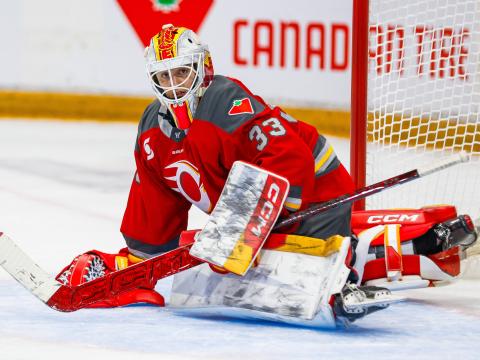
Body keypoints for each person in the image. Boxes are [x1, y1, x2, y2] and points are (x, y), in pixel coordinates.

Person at [55, 24, 394, 322]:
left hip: (317, 190)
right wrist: (136, 265)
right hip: (261, 209)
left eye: (181, 73)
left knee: (303, 274)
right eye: (164, 76)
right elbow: (154, 201)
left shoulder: (226, 100)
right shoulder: (150, 132)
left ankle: (365, 257)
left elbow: (288, 157)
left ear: (202, 69)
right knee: (242, 267)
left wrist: (238, 233)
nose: (173, 86)